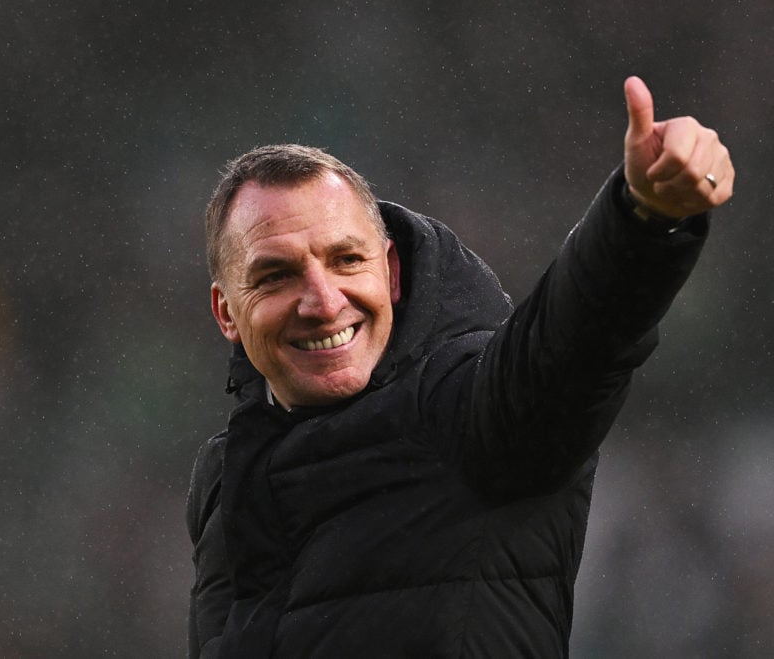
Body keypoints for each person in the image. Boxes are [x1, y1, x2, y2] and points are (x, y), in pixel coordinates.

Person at [187, 76, 734, 658]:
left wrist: (644, 218)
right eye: (276, 275)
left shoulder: (464, 409)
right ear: (226, 311)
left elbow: (578, 342)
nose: (323, 302)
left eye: (347, 260)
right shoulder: (225, 476)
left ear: (391, 273)